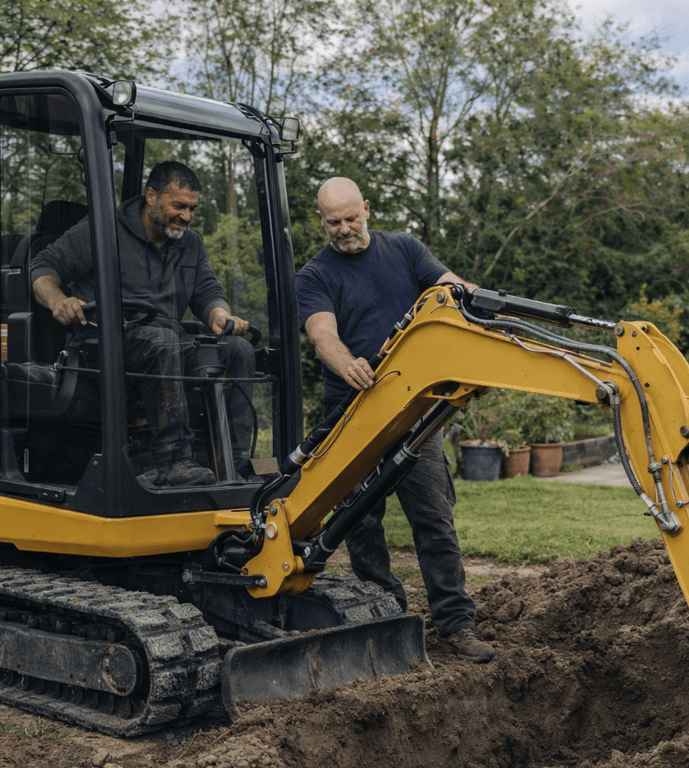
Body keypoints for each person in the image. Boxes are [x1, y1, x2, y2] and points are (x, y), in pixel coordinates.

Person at [296, 177, 495, 664]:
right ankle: (384, 613)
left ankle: (456, 623)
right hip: (352, 413)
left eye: (351, 218)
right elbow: (322, 334)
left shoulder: (404, 249)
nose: (344, 229)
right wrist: (345, 363)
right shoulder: (314, 274)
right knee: (359, 523)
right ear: (320, 220)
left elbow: (452, 287)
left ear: (367, 208)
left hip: (414, 411)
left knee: (434, 518)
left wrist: (488, 303)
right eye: (334, 222)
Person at [30, 161, 255, 488]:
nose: (187, 217)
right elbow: (44, 265)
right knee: (161, 341)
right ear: (151, 196)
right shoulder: (103, 230)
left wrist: (219, 315)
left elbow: (207, 291)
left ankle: (235, 465)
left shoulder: (190, 244)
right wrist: (57, 300)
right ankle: (174, 461)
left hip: (165, 345)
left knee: (238, 350)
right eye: (178, 206)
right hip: (103, 347)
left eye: (192, 208)